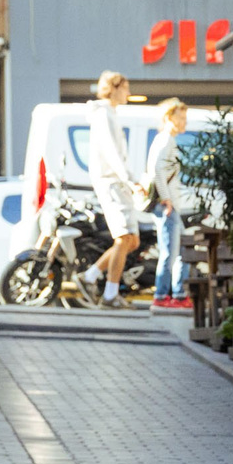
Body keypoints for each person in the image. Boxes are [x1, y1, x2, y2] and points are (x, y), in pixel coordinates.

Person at [83, 70, 142, 308]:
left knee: (133, 240)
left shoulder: (109, 114)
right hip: (112, 182)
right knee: (124, 238)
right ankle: (109, 294)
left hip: (115, 182)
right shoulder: (104, 115)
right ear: (115, 88)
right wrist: (130, 180)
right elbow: (112, 152)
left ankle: (90, 276)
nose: (128, 93)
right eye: (125, 87)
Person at [147, 97, 191, 310]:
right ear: (169, 118)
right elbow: (157, 170)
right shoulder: (166, 140)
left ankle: (179, 294)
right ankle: (163, 294)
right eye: (181, 118)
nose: (185, 122)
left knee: (181, 251)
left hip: (169, 205)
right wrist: (166, 199)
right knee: (170, 253)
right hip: (168, 206)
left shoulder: (164, 140)